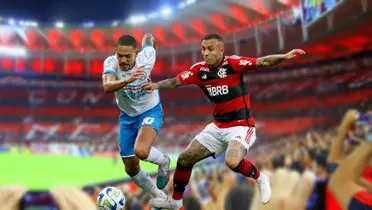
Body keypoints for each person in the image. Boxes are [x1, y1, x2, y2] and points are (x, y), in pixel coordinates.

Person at [143, 33, 306, 209]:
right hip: (218, 126)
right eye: (203, 49)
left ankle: (261, 177)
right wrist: (156, 86)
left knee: (232, 161)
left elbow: (262, 62)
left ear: (221, 49)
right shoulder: (199, 70)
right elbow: (175, 82)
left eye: (210, 49)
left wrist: (284, 56)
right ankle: (176, 202)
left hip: (241, 127)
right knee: (184, 159)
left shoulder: (233, 64)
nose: (206, 53)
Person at [101, 33, 170, 199]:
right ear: (115, 52)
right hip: (127, 116)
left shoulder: (146, 59)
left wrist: (148, 37)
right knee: (130, 167)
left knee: (141, 150)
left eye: (128, 56)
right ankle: (158, 194)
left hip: (150, 109)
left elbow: (149, 42)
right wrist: (128, 80)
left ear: (137, 53)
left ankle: (163, 161)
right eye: (120, 56)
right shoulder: (110, 63)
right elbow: (107, 86)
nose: (123, 60)